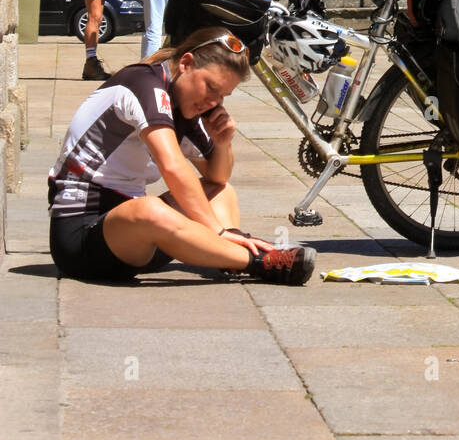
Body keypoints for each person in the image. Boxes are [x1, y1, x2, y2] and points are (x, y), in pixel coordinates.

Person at [47, 24, 316, 286]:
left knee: (221, 191)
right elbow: (173, 167)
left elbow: (217, 176)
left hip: (137, 241)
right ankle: (254, 260)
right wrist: (218, 230)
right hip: (82, 239)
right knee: (150, 209)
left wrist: (223, 143)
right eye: (211, 87)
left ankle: (227, 254)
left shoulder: (185, 103)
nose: (214, 102)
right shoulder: (144, 83)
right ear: (186, 63)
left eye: (223, 95)